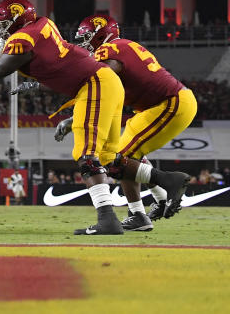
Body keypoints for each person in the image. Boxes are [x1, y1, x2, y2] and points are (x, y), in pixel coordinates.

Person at [0, 0, 189, 236]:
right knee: (109, 158)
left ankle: (108, 219)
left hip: (95, 84)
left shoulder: (24, 38)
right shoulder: (40, 25)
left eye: (2, 23)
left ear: (16, 21)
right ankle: (167, 179)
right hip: (105, 83)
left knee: (86, 154)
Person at [57, 14, 198, 231]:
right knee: (121, 157)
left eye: (86, 36)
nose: (83, 42)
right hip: (157, 106)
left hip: (169, 103)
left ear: (101, 35)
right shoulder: (122, 46)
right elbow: (105, 94)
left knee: (120, 160)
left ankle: (161, 191)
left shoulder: (109, 49)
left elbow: (103, 78)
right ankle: (151, 206)